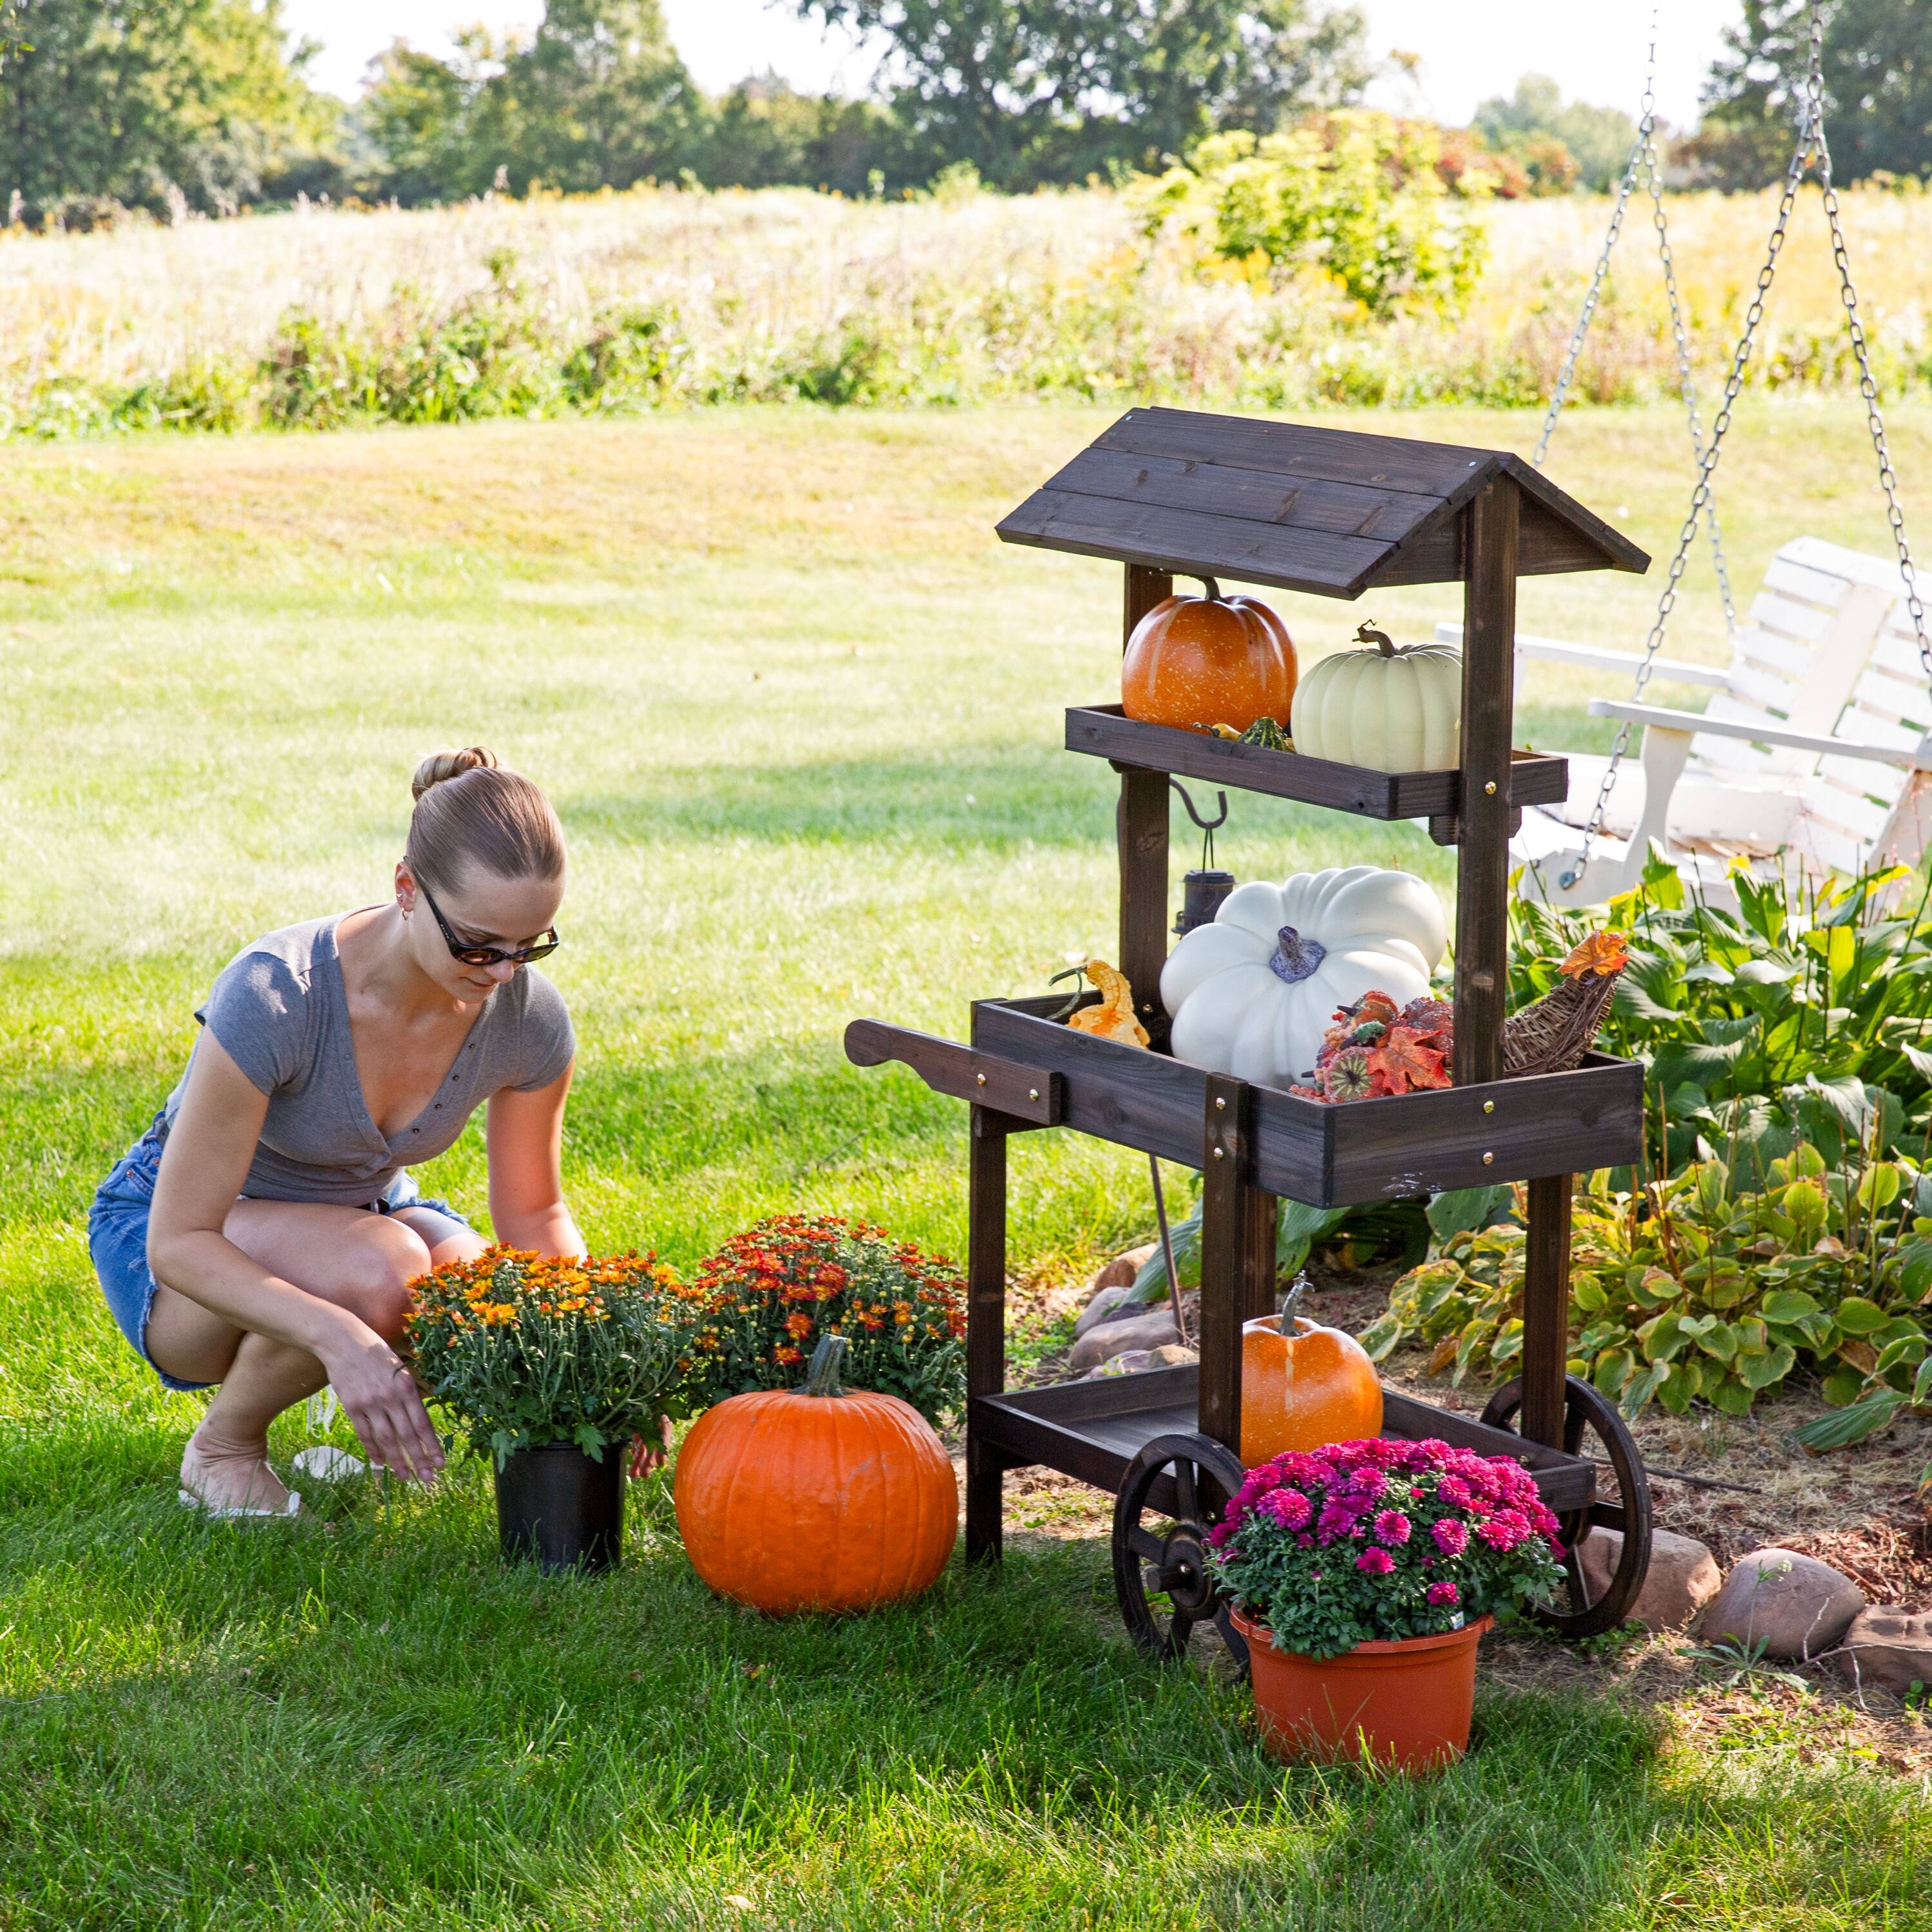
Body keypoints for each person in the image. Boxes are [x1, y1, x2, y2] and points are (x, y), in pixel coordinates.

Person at [88, 747, 582, 1516]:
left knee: (489, 1297)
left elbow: (536, 1216)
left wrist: (589, 1358)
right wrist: (340, 1337)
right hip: (178, 1246)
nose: (503, 974)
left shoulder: (527, 1016)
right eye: (479, 945)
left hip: (363, 1218)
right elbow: (179, 1240)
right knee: (382, 1272)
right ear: (407, 888)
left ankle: (338, 1391)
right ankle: (224, 1446)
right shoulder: (277, 993)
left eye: (533, 945)